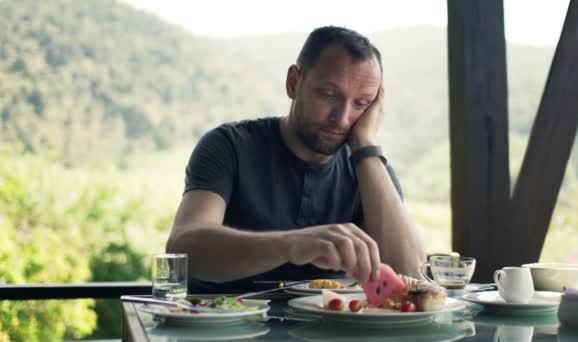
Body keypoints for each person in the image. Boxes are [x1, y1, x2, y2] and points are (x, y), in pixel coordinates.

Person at [166, 26, 426, 293]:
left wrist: (365, 146)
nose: (342, 117)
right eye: (328, 94)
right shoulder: (229, 145)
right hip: (222, 325)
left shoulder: (369, 168)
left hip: (329, 330)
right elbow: (183, 249)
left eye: (361, 103)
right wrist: (291, 245)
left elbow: (412, 276)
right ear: (293, 82)